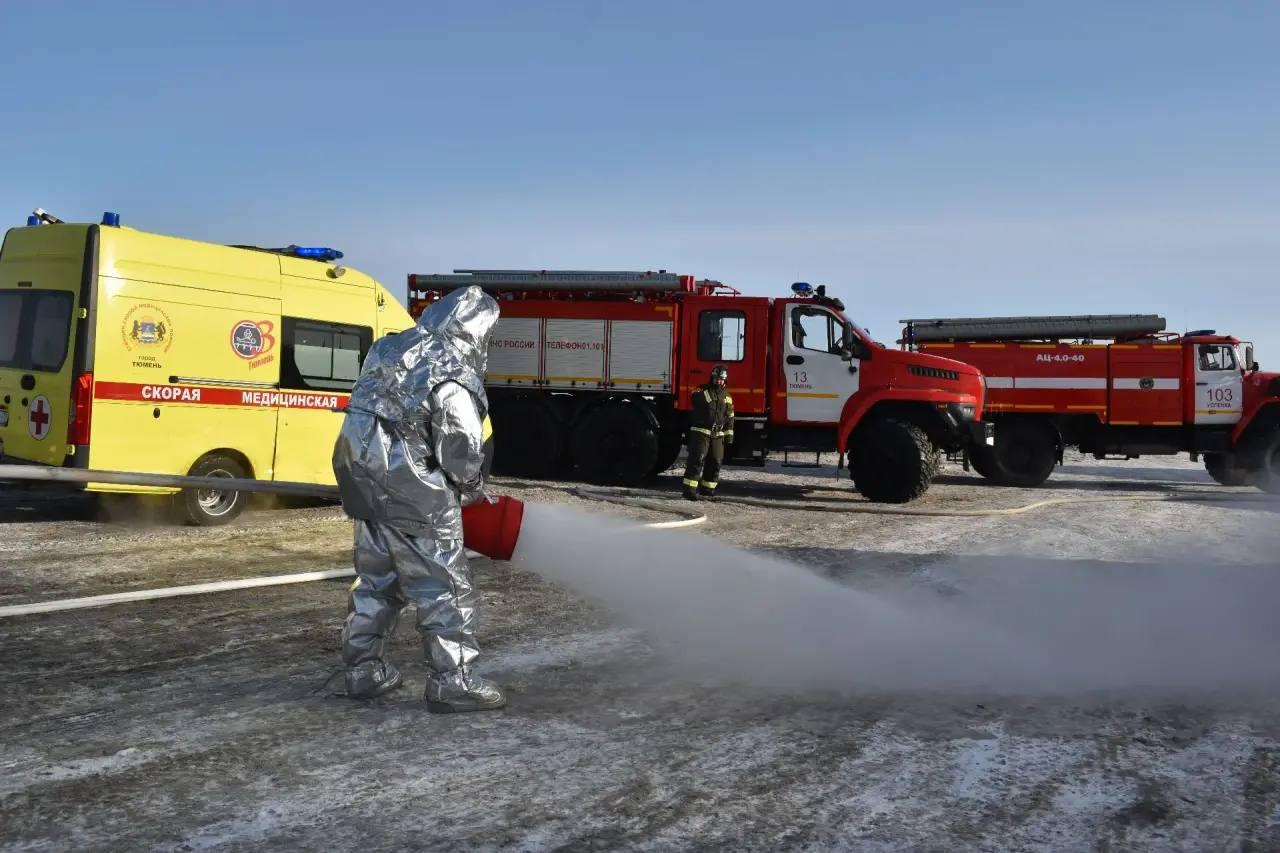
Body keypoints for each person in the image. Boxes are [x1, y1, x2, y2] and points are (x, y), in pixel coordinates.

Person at [331, 285, 506, 713]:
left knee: (377, 583)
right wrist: (471, 490)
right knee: (444, 588)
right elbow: (461, 444)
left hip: (363, 480)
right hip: (417, 493)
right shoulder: (450, 368)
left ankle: (362, 671)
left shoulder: (388, 351)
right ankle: (454, 681)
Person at [682, 365, 734, 501]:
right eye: (717, 378)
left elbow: (730, 416)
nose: (719, 381)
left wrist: (729, 434)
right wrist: (709, 394)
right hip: (701, 432)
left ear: (725, 380)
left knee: (715, 461)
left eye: (722, 379)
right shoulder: (702, 390)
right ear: (712, 378)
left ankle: (708, 489)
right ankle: (689, 490)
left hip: (718, 434)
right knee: (697, 460)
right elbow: (694, 398)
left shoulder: (727, 396)